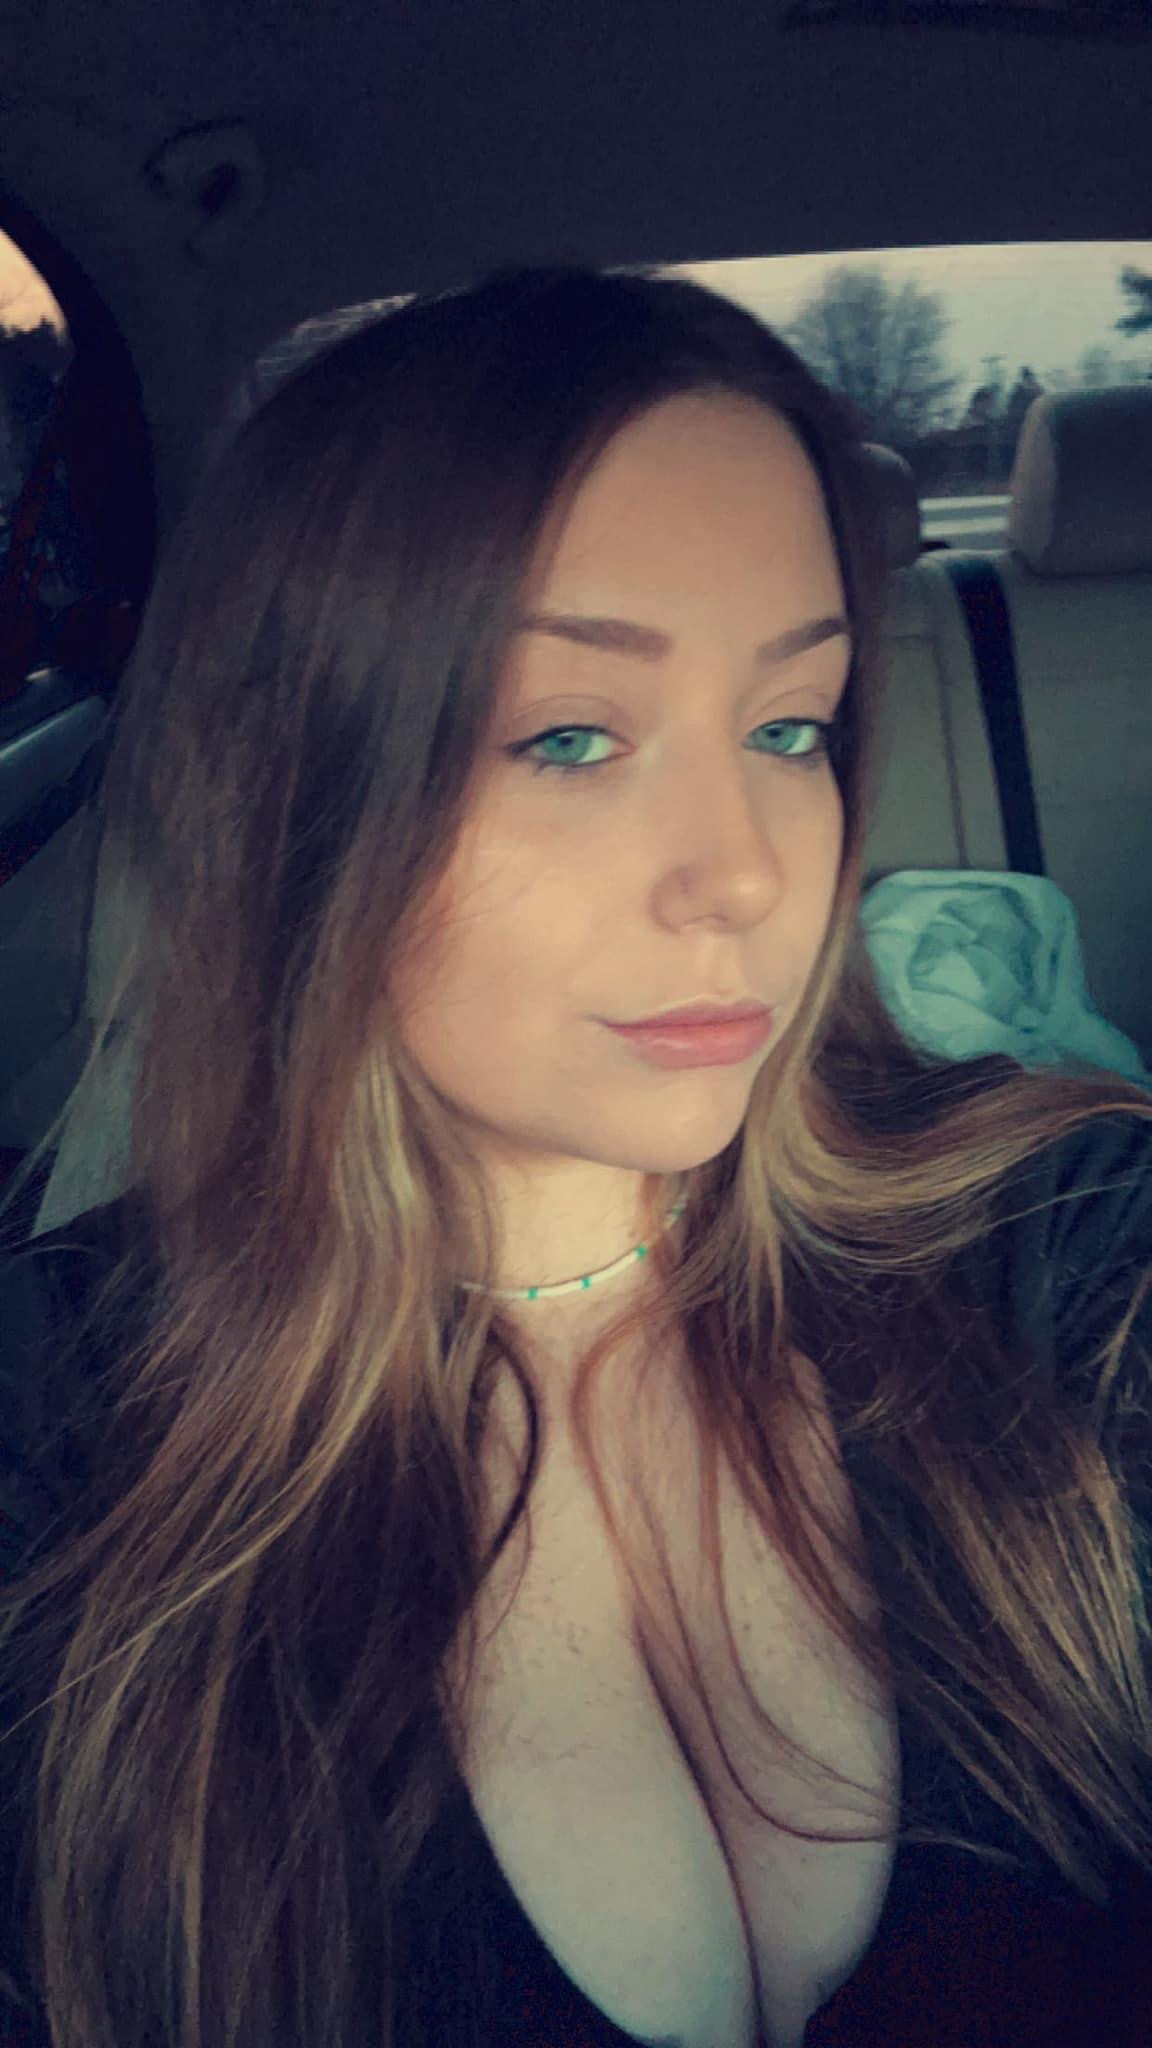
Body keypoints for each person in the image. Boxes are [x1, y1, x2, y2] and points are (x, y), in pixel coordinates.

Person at [0, 263, 1149, 2048]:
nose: (748, 873)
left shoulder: (1057, 1238)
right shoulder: (62, 1428)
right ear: (293, 786)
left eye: (791, 727)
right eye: (569, 737)